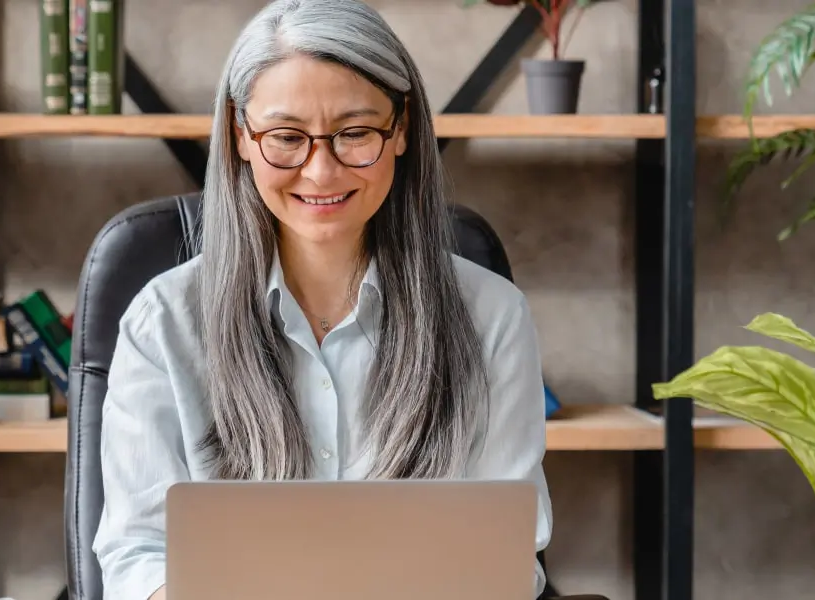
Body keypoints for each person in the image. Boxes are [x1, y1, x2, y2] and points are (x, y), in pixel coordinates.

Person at [93, 1, 553, 599]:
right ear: (240, 136)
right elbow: (136, 555)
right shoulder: (164, 324)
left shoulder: (491, 316)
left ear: (402, 128)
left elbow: (508, 559)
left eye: (355, 134)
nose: (321, 171)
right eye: (286, 137)